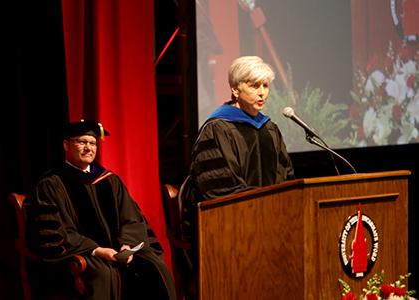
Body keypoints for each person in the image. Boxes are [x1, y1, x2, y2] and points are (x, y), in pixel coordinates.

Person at [26, 120, 176, 300]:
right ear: (66, 145)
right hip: (83, 253)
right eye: (81, 142)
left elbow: (132, 218)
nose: (88, 148)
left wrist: (127, 245)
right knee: (103, 274)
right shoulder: (52, 184)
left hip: (118, 251)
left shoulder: (110, 181)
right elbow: (56, 232)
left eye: (93, 143)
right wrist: (98, 250)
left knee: (155, 267)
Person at [181, 55, 295, 240]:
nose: (262, 93)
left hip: (273, 222)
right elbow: (218, 188)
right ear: (235, 89)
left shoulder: (270, 129)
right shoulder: (218, 128)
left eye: (265, 86)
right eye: (254, 85)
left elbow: (286, 176)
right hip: (233, 227)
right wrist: (261, 209)